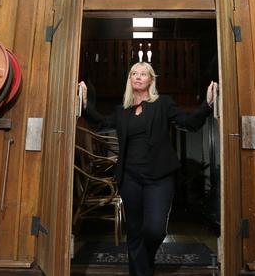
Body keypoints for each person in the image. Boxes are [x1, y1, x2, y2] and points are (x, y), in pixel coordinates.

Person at [79, 62, 217, 276]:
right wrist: (85, 104)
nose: (138, 76)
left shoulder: (163, 104)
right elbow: (100, 123)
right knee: (134, 231)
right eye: (134, 73)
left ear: (151, 80)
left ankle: (145, 261)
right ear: (130, 79)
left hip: (159, 178)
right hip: (129, 177)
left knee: (155, 229)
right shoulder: (122, 111)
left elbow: (189, 123)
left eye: (143, 73)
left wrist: (207, 105)